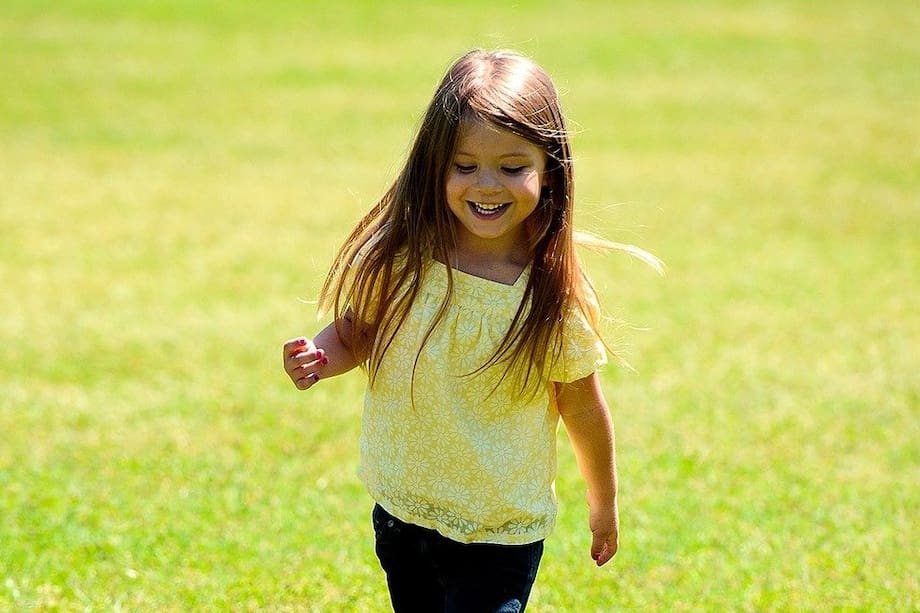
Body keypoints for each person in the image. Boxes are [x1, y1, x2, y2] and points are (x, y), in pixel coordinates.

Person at [283, 49, 659, 613]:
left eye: (512, 167)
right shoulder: (405, 260)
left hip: (500, 531)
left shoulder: (547, 298)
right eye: (464, 166)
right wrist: (322, 354)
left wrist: (602, 502)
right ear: (433, 165)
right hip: (405, 510)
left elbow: (582, 408)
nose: (487, 184)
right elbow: (359, 332)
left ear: (549, 169)